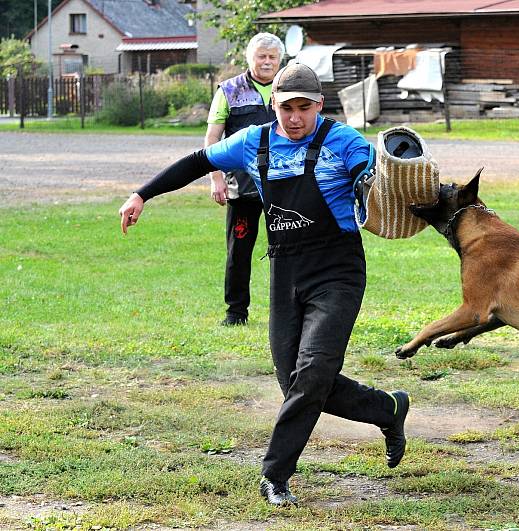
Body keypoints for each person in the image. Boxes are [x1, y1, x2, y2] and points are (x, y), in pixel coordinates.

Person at [118, 63, 410, 506]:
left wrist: (383, 184)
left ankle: (274, 475)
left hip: (337, 271)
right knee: (293, 380)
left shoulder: (344, 142)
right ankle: (388, 409)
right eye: (285, 107)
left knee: (312, 373)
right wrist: (142, 193)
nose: (294, 118)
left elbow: (372, 180)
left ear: (319, 105)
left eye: (304, 108)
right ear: (272, 105)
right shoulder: (254, 141)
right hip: (285, 271)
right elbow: (199, 161)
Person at [206, 32, 282, 326]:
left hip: (283, 187)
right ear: (249, 58)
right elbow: (212, 138)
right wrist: (216, 178)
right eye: (261, 56)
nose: (266, 62)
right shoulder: (228, 91)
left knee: (288, 251)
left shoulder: (289, 87)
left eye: (271, 57)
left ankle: (287, 310)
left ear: (280, 60)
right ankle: (235, 312)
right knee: (238, 252)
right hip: (242, 188)